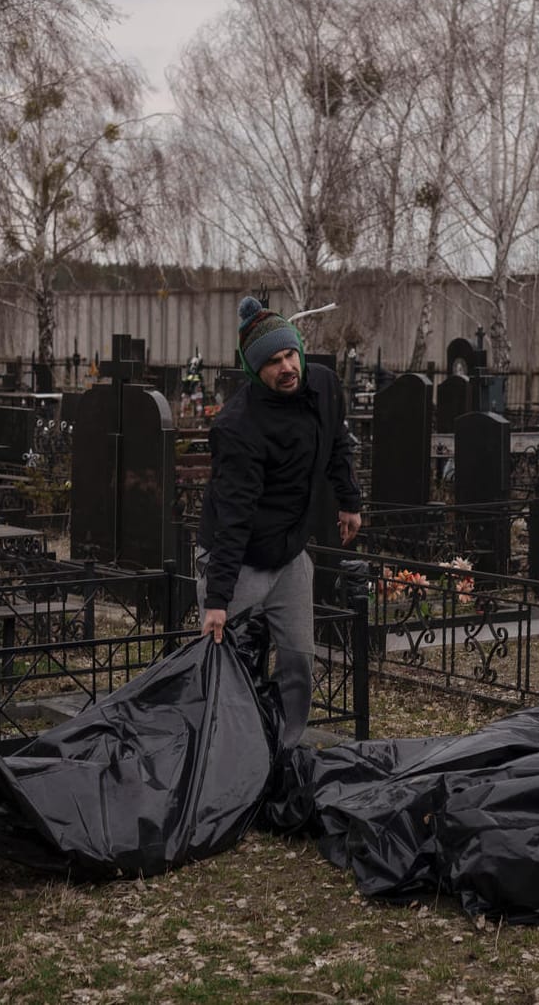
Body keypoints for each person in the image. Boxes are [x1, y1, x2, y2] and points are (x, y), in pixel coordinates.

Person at [196, 296, 363, 749]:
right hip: (242, 558)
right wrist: (218, 599)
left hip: (289, 554)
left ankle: (283, 751)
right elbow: (234, 517)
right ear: (254, 371)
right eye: (272, 362)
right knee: (224, 665)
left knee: (298, 662)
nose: (287, 367)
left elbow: (337, 446)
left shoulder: (324, 386)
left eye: (290, 354)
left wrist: (349, 502)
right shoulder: (237, 426)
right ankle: (224, 756)